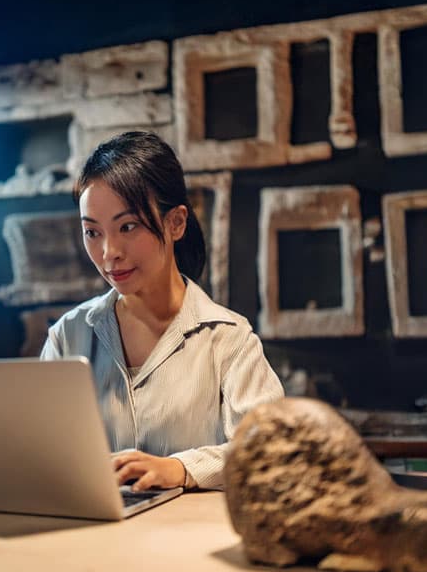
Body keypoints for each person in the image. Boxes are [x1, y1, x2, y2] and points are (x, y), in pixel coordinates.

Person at [40, 131, 284, 492]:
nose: (109, 253)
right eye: (92, 232)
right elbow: (38, 448)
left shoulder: (230, 339)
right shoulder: (68, 335)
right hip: (91, 537)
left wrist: (181, 468)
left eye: (128, 227)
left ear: (176, 223)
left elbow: (275, 452)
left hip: (187, 542)